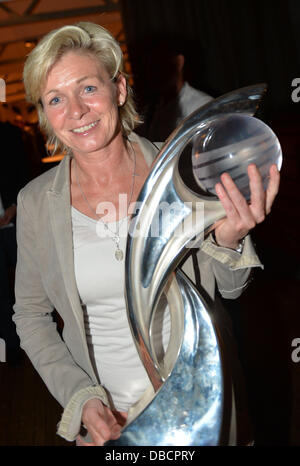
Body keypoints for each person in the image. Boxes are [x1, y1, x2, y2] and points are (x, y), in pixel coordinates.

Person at [13, 22, 280, 446]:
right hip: (114, 425)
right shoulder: (36, 202)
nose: (76, 112)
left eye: (87, 88)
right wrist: (80, 397)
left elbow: (229, 290)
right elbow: (30, 316)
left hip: (201, 406)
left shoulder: (184, 173)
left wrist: (227, 237)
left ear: (119, 89)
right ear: (46, 115)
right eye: (56, 99)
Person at [141, 40, 213, 142]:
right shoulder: (151, 111)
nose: (153, 72)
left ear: (179, 62)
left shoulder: (201, 106)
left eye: (160, 63)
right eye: (149, 65)